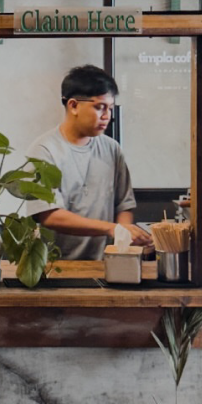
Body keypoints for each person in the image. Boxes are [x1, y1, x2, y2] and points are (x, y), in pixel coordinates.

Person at [25, 64, 152, 261]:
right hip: (56, 266)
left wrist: (124, 237)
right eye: (99, 107)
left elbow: (123, 205)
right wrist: (112, 228)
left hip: (106, 263)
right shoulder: (44, 151)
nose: (107, 116)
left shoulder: (112, 149)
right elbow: (49, 215)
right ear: (73, 106)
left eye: (110, 108)